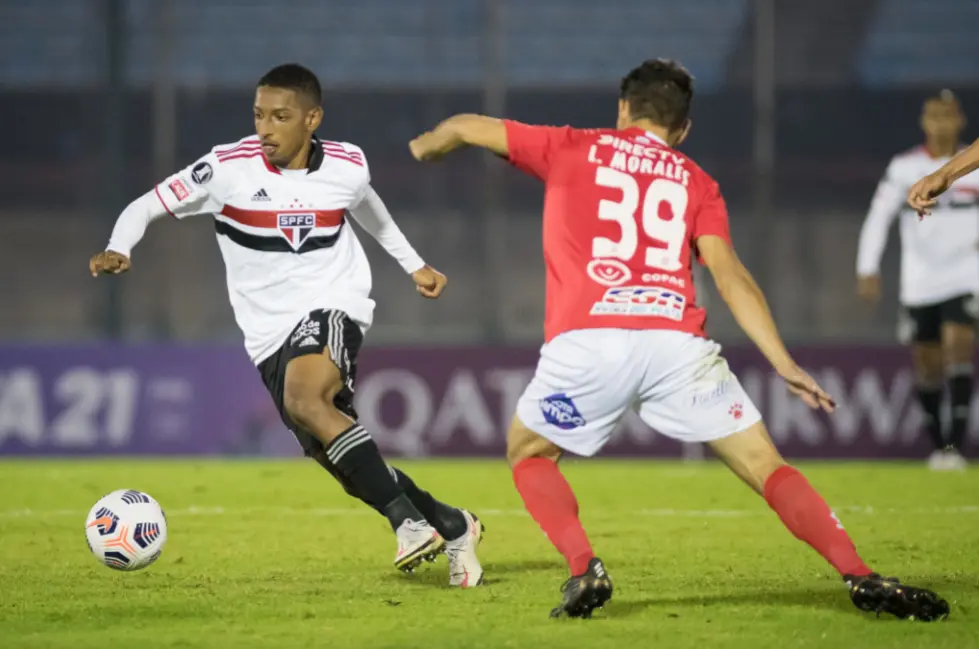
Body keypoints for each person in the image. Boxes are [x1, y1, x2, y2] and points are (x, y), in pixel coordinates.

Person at [409, 58, 950, 620]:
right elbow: (731, 277)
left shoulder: (570, 145)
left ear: (623, 109)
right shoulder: (697, 181)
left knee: (528, 453)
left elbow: (469, 125)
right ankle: (859, 574)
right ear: (683, 129)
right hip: (677, 345)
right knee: (768, 466)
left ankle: (582, 566)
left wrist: (429, 144)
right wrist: (783, 361)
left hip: (590, 338)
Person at [89, 63, 484, 588]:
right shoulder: (227, 169)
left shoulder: (347, 164)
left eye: (280, 116)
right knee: (339, 459)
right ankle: (452, 524)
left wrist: (413, 264)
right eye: (259, 115)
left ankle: (407, 523)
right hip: (267, 334)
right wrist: (120, 246)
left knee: (305, 399)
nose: (266, 129)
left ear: (312, 118)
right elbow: (146, 205)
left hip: (334, 303)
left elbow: (368, 206)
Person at [857, 91, 979, 471]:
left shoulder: (971, 163)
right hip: (920, 277)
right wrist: (867, 266)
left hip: (966, 271)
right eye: (933, 117)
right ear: (924, 122)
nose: (940, 124)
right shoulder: (904, 166)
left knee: (959, 345)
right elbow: (879, 216)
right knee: (927, 364)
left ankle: (954, 447)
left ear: (960, 120)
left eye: (947, 116)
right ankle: (938, 444)